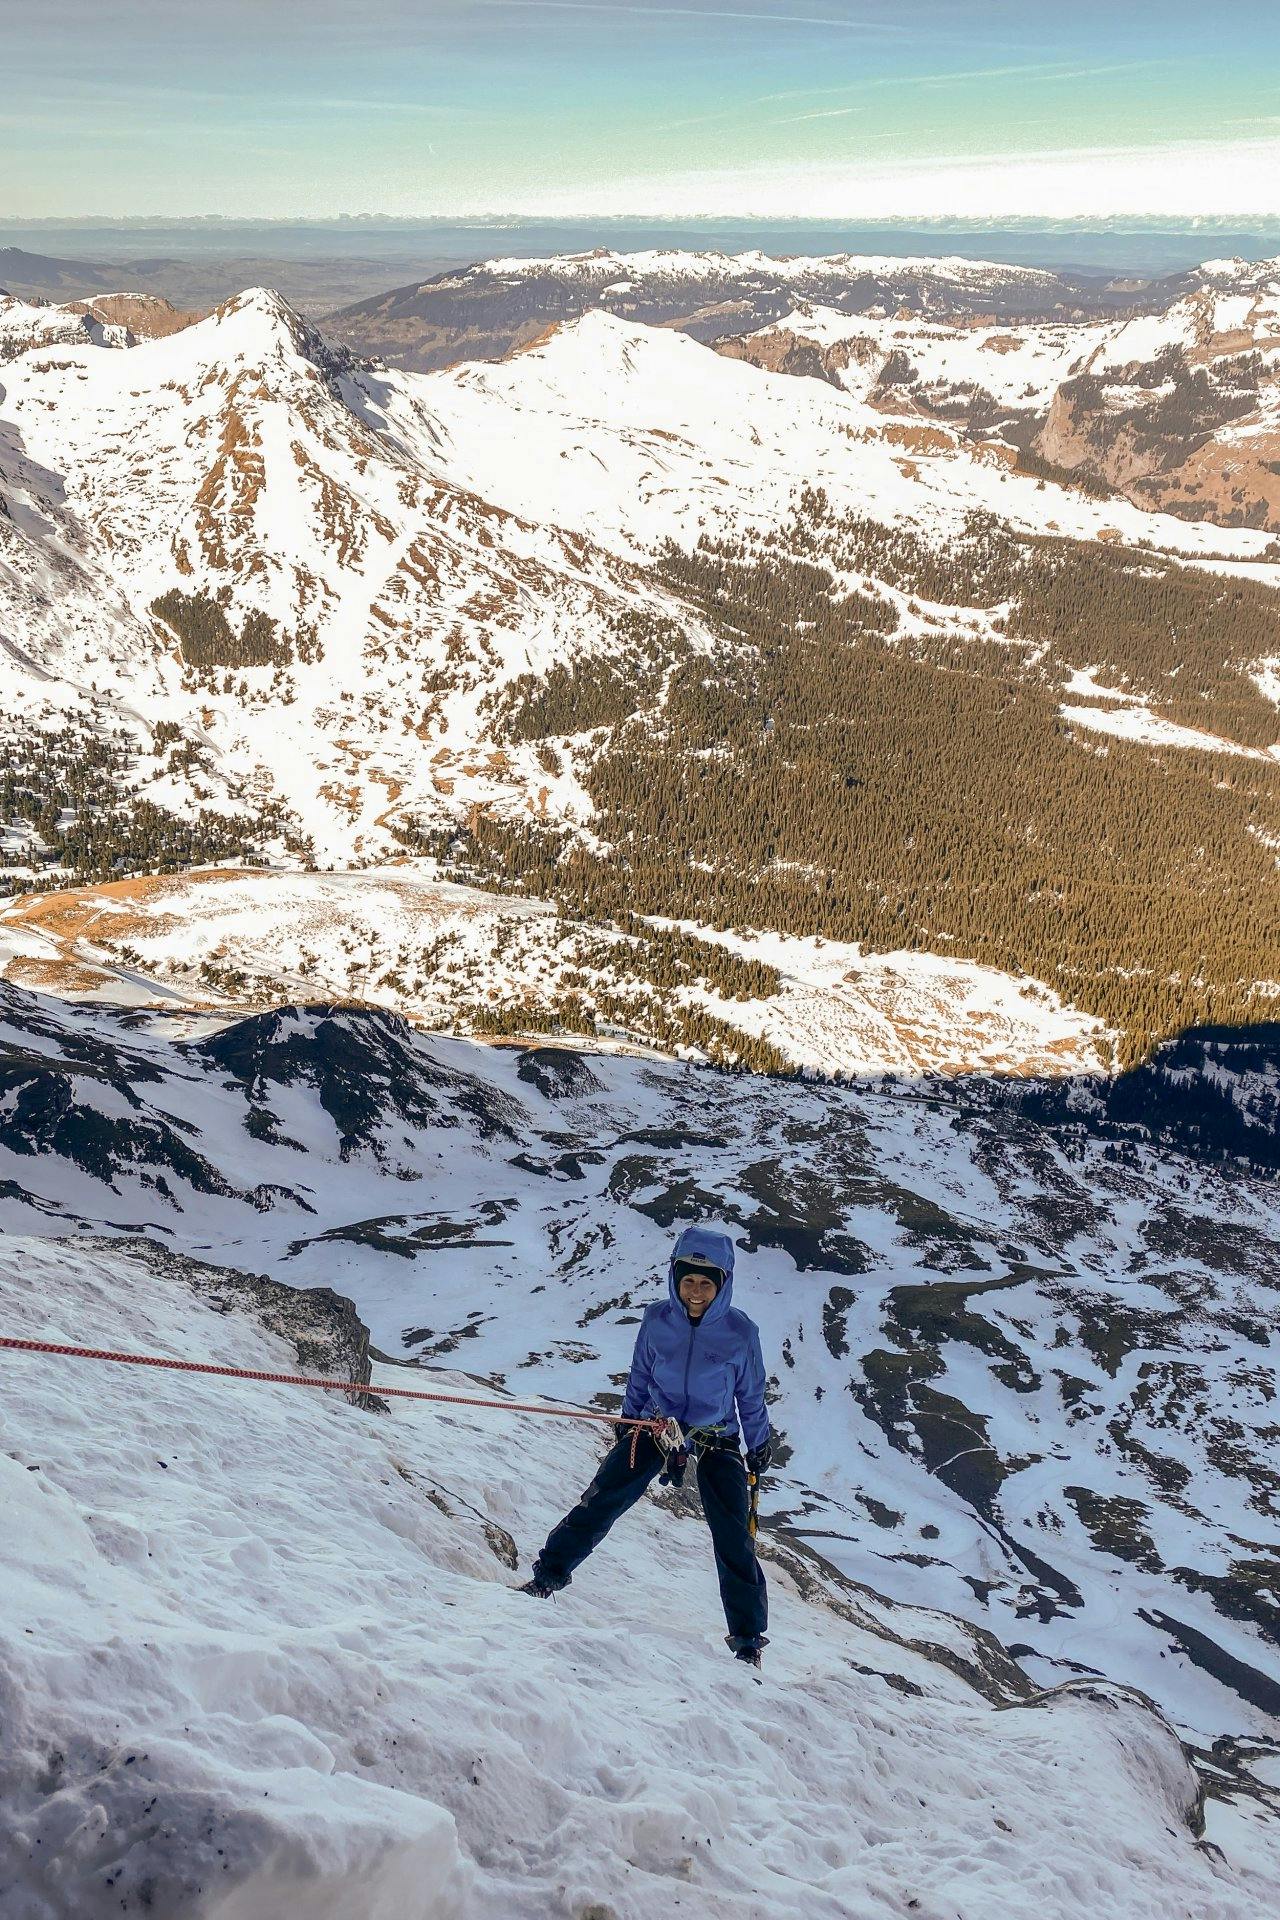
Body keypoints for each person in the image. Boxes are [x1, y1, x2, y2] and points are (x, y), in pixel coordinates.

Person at [523, 1224, 773, 1667]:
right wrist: (628, 1419)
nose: (696, 1292)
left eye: (706, 1284)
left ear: (723, 1284)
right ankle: (546, 1577)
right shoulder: (657, 1319)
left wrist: (758, 1442)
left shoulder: (740, 1332)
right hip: (657, 1425)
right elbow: (640, 1373)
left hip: (716, 1437)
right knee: (602, 1499)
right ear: (674, 1278)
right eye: (688, 1281)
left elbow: (750, 1394)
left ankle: (748, 1640)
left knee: (734, 1536)